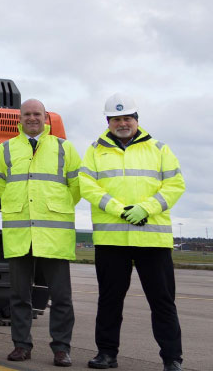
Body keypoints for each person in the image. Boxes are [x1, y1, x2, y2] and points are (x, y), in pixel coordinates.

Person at [79, 93, 185, 371]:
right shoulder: (94, 150)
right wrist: (120, 210)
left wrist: (146, 208)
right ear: (108, 121)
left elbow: (175, 185)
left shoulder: (159, 149)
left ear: (137, 119)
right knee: (110, 301)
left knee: (162, 302)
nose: (122, 123)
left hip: (152, 239)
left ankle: (172, 359)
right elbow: (88, 186)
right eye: (116, 119)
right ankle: (106, 354)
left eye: (127, 118)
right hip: (112, 240)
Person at [0, 99, 80, 366]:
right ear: (20, 118)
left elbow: (75, 187)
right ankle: (21, 346)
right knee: (19, 295)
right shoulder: (5, 149)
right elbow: (0, 184)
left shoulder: (65, 149)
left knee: (62, 297)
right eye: (27, 114)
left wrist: (56, 209)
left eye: (37, 114)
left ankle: (61, 349)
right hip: (20, 234)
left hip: (54, 235)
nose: (32, 118)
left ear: (46, 118)